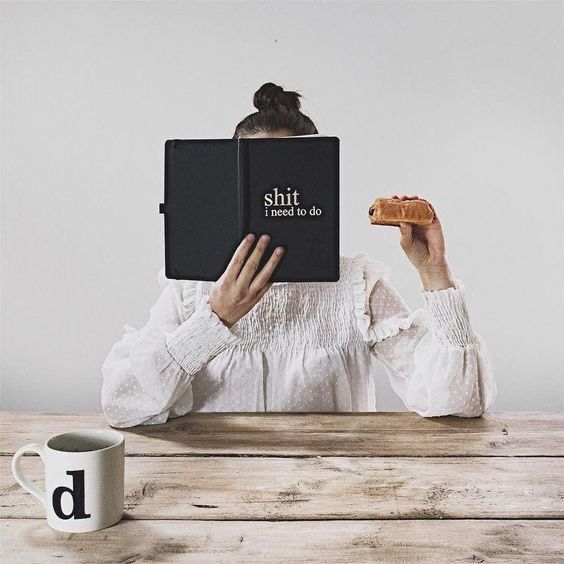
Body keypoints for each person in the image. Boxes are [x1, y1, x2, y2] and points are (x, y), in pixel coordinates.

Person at [100, 82, 497, 428]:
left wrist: (435, 272)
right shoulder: (192, 288)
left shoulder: (355, 287)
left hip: (331, 496)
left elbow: (459, 403)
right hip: (216, 496)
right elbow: (122, 403)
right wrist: (215, 318)